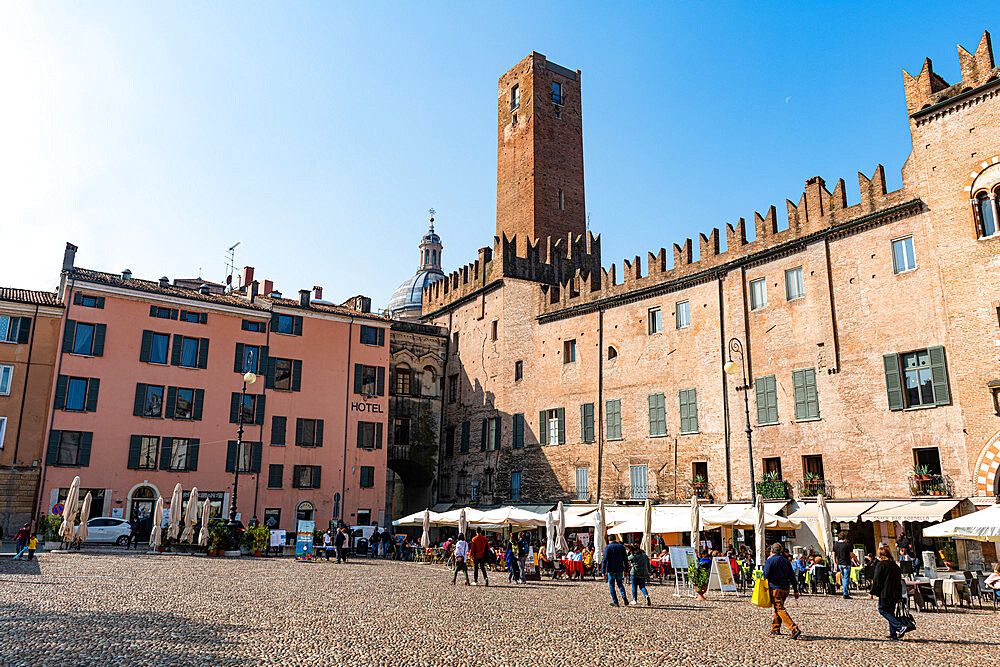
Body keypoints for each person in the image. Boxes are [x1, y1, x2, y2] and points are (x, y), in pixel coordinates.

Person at [763, 542, 801, 639]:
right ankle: (775, 627)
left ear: (771, 551)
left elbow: (765, 575)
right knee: (779, 607)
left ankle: (794, 628)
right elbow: (792, 577)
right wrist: (796, 590)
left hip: (775, 588)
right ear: (781, 551)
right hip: (785, 588)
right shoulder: (786, 561)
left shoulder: (770, 561)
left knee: (780, 608)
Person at [869, 545, 908, 640]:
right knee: (891, 612)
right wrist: (899, 596)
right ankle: (893, 633)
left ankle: (900, 627)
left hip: (885, 592)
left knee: (882, 610)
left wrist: (872, 592)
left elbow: (877, 580)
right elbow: (899, 581)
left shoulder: (881, 564)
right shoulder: (895, 565)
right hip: (894, 592)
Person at [601, 534, 629, 607]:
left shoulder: (608, 547)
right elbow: (626, 559)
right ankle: (623, 595)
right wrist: (626, 570)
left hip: (611, 569)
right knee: (620, 584)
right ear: (615, 539)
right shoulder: (621, 547)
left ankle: (615, 601)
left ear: (609, 540)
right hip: (620, 568)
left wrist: (603, 571)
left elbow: (604, 560)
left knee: (611, 585)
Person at [833, 532, 859, 598]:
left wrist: (835, 563)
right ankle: (845, 593)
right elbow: (851, 554)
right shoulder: (847, 544)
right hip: (846, 563)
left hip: (839, 563)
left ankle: (845, 591)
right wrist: (856, 560)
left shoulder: (835, 544)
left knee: (844, 577)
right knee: (846, 578)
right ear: (845, 537)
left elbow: (833, 554)